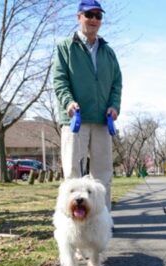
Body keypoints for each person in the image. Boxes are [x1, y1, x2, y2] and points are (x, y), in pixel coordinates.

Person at [53, 0, 122, 211]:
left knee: (103, 176)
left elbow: (117, 82)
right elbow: (60, 80)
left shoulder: (108, 52)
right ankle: (72, 222)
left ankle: (103, 219)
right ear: (78, 17)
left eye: (98, 16)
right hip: (76, 120)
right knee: (73, 174)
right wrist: (68, 102)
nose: (93, 19)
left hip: (102, 120)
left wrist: (114, 105)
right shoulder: (65, 47)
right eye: (89, 14)